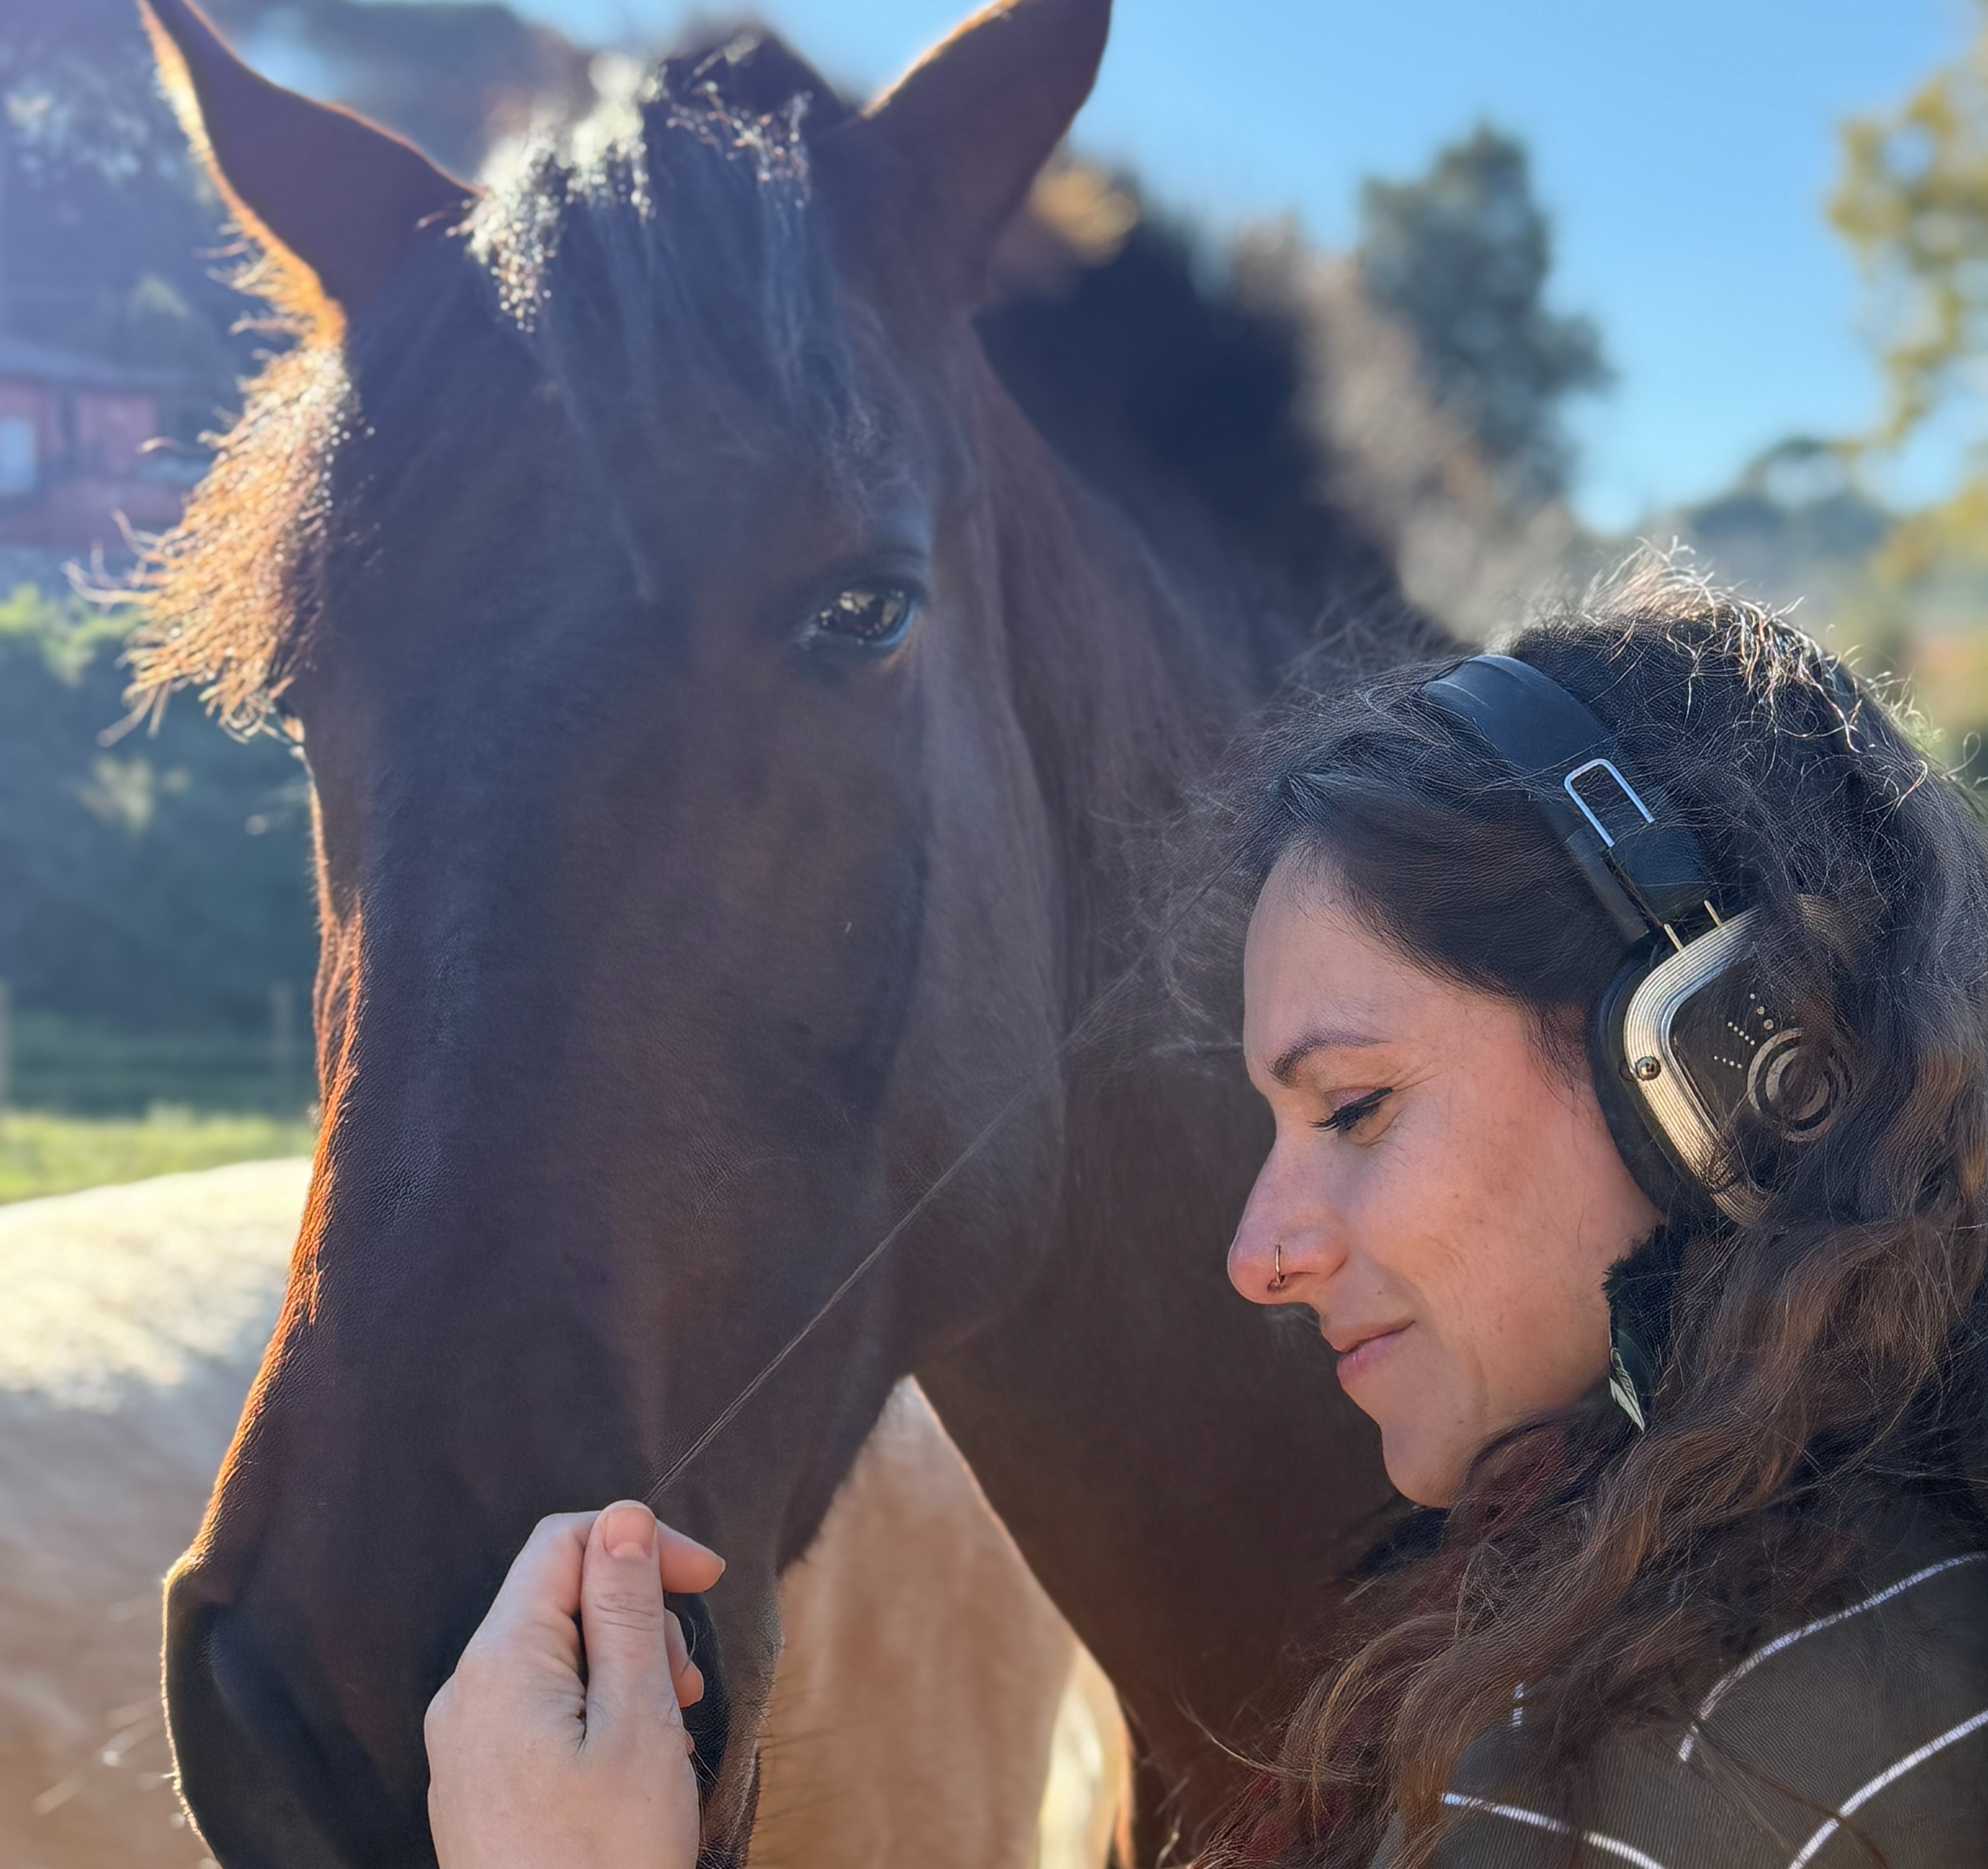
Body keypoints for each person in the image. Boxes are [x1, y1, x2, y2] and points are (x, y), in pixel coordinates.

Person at [424, 580, 1988, 1866]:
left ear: (1732, 1060)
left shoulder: (1675, 1780)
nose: (1259, 1254)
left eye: (1353, 1106)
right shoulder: (1884, 1615)